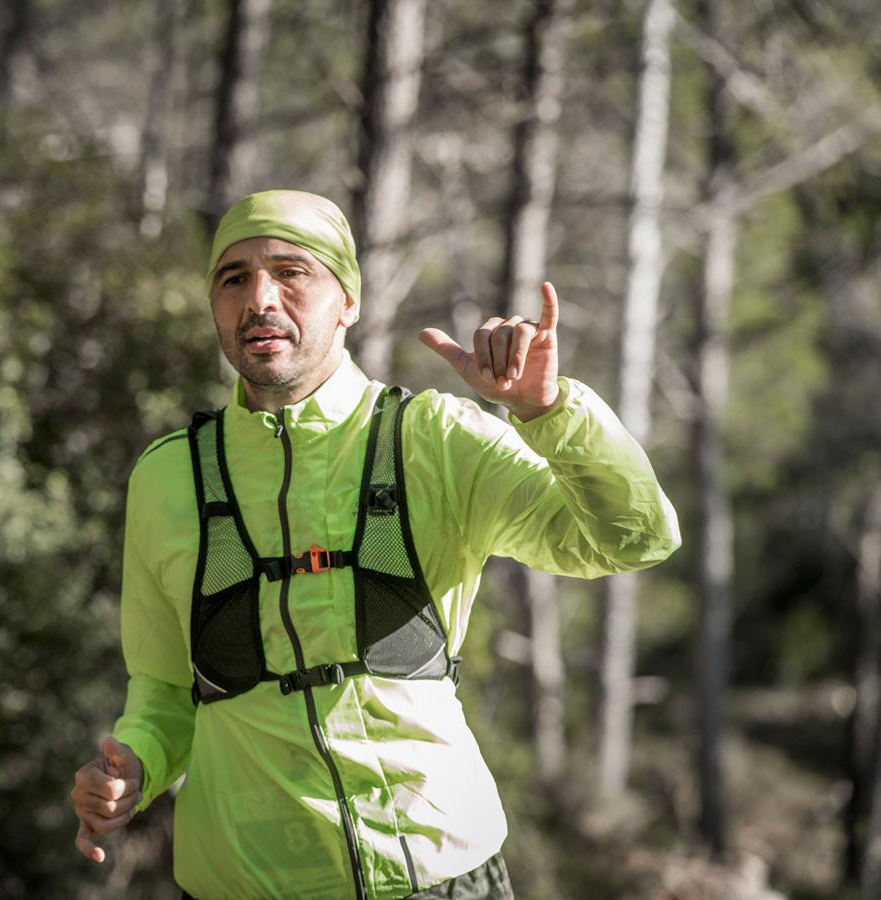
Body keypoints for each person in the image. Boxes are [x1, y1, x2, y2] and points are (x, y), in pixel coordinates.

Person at [70, 189, 680, 899]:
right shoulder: (166, 476)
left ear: (348, 301)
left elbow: (632, 538)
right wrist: (133, 767)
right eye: (233, 278)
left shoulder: (437, 439)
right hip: (241, 881)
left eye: (291, 271)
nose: (259, 298)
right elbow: (165, 687)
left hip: (441, 874)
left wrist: (546, 412)